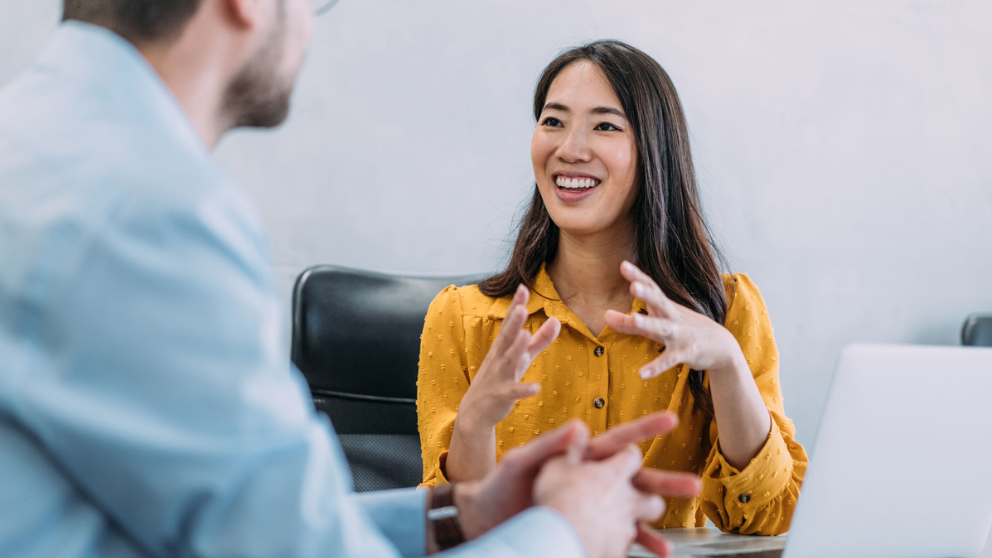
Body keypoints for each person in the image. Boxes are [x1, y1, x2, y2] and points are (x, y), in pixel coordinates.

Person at [0, 3, 704, 558]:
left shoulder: (39, 140)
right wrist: (569, 534)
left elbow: (241, 518)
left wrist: (457, 515)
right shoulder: (151, 207)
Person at [417, 40, 808, 536]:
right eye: (553, 121)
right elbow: (448, 533)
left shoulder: (726, 312)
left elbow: (768, 518)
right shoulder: (461, 320)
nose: (570, 149)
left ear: (655, 153)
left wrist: (728, 363)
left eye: (605, 125)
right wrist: (474, 426)